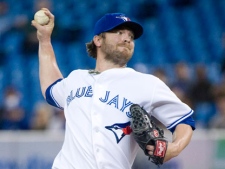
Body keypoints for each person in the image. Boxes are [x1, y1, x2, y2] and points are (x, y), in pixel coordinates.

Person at [32, 8, 195, 169]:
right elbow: (50, 88)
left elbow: (183, 120)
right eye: (119, 32)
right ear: (98, 40)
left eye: (131, 36)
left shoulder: (146, 84)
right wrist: (44, 40)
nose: (127, 39)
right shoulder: (76, 78)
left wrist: (174, 148)